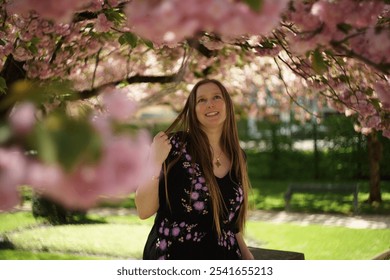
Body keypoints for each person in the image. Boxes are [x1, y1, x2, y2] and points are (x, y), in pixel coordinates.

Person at [135, 79, 254, 260]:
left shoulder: (238, 156)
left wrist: (248, 259)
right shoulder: (174, 145)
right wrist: (154, 161)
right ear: (193, 109)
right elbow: (144, 211)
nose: (210, 104)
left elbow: (231, 225)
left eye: (216, 97)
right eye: (201, 100)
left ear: (227, 105)